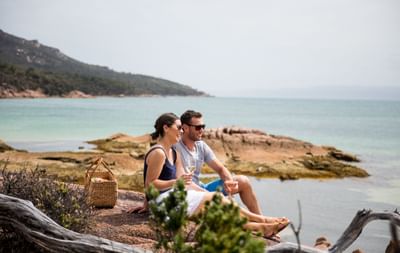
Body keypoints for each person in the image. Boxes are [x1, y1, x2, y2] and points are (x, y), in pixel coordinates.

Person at [139, 112, 289, 238]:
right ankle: (264, 220)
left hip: (177, 196)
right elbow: (150, 185)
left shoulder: (174, 152)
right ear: (166, 128)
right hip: (163, 204)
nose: (181, 131)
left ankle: (262, 228)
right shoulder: (159, 152)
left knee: (217, 209)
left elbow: (186, 182)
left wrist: (206, 193)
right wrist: (148, 204)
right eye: (178, 128)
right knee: (215, 202)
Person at [174, 110, 263, 215]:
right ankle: (259, 223)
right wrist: (209, 194)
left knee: (243, 181)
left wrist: (229, 183)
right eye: (198, 127)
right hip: (190, 193)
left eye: (203, 126)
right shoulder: (176, 147)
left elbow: (220, 168)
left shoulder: (201, 146)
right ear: (185, 127)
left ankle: (261, 220)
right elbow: (183, 182)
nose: (202, 130)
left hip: (201, 187)